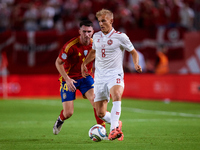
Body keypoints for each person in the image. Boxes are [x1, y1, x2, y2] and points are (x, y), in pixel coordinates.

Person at [81, 9, 142, 141]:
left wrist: (136, 64)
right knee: (100, 113)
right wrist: (84, 63)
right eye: (99, 21)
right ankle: (116, 123)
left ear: (111, 21)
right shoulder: (96, 36)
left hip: (115, 74)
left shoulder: (121, 37)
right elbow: (93, 52)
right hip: (100, 77)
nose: (101, 24)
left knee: (116, 95)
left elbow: (133, 52)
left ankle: (114, 129)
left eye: (103, 21)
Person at [53, 20, 105, 135]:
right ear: (79, 31)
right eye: (84, 31)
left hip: (86, 77)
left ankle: (103, 130)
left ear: (93, 32)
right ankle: (60, 120)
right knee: (69, 113)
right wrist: (67, 79)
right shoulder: (70, 46)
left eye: (89, 32)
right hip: (69, 79)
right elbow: (58, 63)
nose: (87, 34)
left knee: (96, 102)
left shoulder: (95, 44)